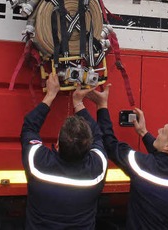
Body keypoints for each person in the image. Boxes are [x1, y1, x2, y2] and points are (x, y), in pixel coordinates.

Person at [86, 85, 168, 229]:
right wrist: (144, 133)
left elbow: (110, 143)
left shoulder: (142, 166)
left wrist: (102, 106)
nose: (158, 131)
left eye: (163, 132)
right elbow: (164, 160)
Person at [20, 73, 106, 229]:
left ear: (58, 144)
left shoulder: (38, 164)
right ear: (88, 148)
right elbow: (99, 135)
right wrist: (78, 103)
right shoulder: (96, 171)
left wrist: (50, 95)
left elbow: (29, 127)